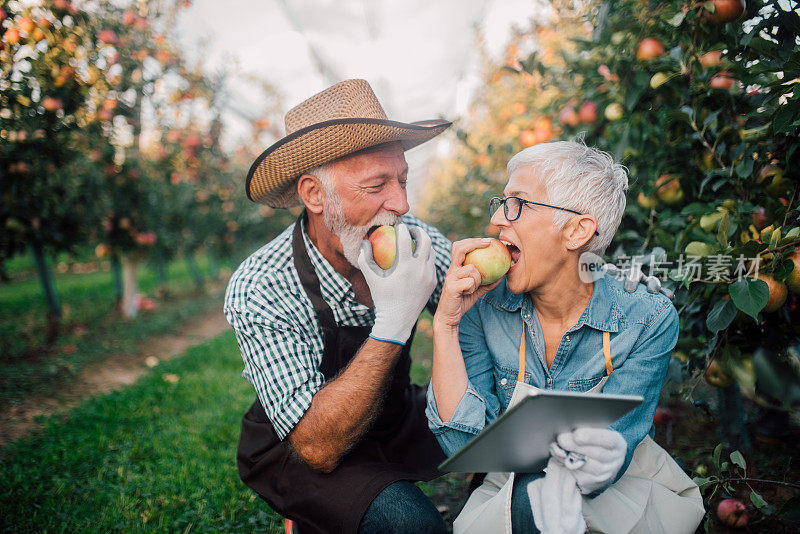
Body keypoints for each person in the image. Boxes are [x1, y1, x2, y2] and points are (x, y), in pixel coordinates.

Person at [225, 80, 667, 534]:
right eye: (377, 185)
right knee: (411, 525)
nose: (400, 203)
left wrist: (597, 280)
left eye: (401, 180)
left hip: (393, 416)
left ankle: (492, 499)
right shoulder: (263, 286)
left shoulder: (412, 241)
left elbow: (493, 310)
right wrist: (397, 318)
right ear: (315, 195)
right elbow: (319, 445)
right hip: (304, 445)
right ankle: (312, 517)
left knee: (494, 427)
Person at [426, 141, 705, 533]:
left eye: (517, 204)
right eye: (501, 203)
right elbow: (461, 446)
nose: (497, 223)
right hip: (512, 484)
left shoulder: (647, 318)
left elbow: (610, 452)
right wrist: (446, 326)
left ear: (576, 231)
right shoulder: (482, 310)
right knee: (531, 496)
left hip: (617, 485)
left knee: (542, 495)